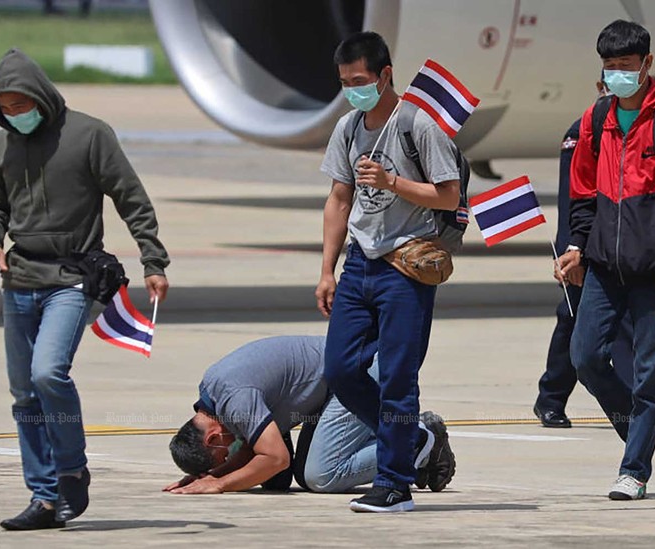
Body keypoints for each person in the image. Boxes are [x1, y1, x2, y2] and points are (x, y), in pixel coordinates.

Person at [0, 49, 170, 530]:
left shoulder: (89, 135)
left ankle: (70, 468)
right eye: (7, 108)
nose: (16, 115)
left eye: (23, 104)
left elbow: (131, 198)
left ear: (41, 96)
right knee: (23, 394)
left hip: (72, 278)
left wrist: (153, 259)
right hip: (19, 279)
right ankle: (43, 498)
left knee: (47, 373)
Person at [557, 20, 655, 500]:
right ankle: (638, 431)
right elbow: (582, 192)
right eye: (609, 67)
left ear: (647, 65)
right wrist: (576, 246)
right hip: (603, 265)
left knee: (648, 374)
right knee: (585, 358)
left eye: (626, 67)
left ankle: (634, 470)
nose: (617, 75)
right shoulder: (594, 119)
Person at [316, 32, 460, 512]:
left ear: (385, 75)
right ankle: (410, 437)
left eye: (360, 81)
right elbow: (338, 199)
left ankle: (394, 484)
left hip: (406, 266)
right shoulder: (348, 127)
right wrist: (327, 270)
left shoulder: (418, 125)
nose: (352, 90)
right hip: (360, 262)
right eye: (344, 82)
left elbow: (448, 197)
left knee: (399, 376)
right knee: (339, 368)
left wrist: (392, 181)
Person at [164, 336, 455, 495]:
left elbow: (275, 458)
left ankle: (417, 441)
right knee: (299, 474)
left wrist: (220, 484)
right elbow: (261, 458)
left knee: (320, 476)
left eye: (222, 456)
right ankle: (395, 438)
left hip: (360, 374)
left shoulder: (234, 400)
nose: (230, 456)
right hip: (332, 387)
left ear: (213, 437)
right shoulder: (214, 395)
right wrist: (207, 477)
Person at [534, 106, 655, 434]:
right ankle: (551, 398)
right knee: (572, 320)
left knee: (626, 327)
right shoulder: (586, 128)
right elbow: (574, 195)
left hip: (621, 247)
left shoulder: (645, 129)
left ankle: (632, 406)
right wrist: (572, 248)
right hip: (583, 244)